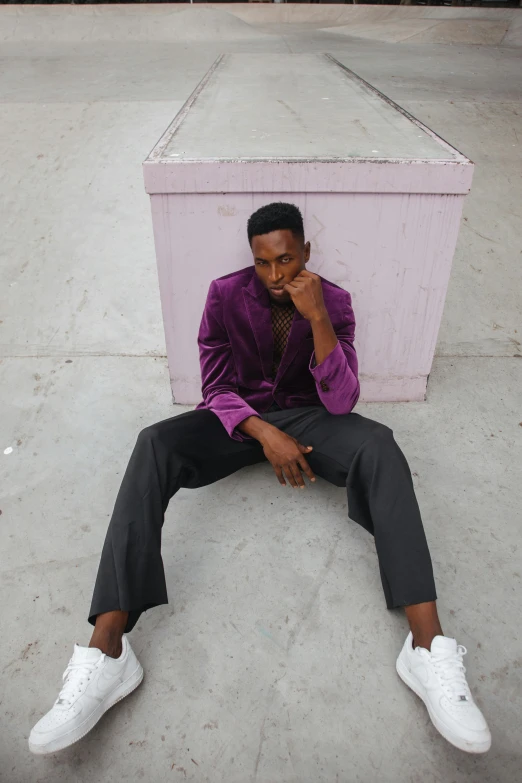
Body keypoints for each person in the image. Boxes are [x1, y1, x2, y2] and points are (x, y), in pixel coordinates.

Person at [29, 202, 491, 756]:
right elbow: (215, 386)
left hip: (310, 420)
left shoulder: (335, 302)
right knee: (153, 442)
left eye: (287, 260)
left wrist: (316, 317)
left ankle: (427, 646)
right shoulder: (224, 294)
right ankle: (107, 652)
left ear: (307, 253)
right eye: (264, 263)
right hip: (238, 421)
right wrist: (262, 433)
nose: (276, 276)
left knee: (382, 447)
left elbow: (342, 400)